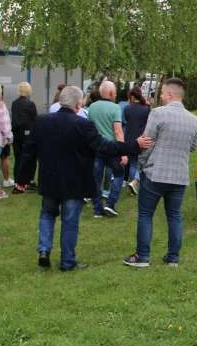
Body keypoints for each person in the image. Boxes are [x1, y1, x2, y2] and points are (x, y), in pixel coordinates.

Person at [21, 85, 147, 271]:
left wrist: (22, 178)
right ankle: (67, 261)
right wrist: (133, 146)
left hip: (49, 179)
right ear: (79, 104)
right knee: (70, 221)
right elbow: (105, 147)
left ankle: (44, 250)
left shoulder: (41, 122)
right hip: (75, 182)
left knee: (47, 214)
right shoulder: (83, 125)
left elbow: (28, 151)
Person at [124, 77, 197, 268]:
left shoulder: (158, 114)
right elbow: (193, 147)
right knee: (174, 216)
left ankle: (142, 256)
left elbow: (146, 142)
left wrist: (142, 165)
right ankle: (173, 257)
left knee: (145, 214)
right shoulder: (193, 119)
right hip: (179, 175)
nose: (162, 97)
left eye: (163, 93)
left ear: (171, 94)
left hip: (155, 173)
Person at [86, 79, 126, 217]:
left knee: (95, 178)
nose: (116, 95)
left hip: (95, 147)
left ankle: (97, 209)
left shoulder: (92, 107)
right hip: (112, 148)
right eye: (115, 92)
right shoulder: (115, 108)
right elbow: (118, 131)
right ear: (110, 93)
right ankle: (110, 203)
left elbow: (89, 128)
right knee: (119, 174)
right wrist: (123, 152)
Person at [122, 86, 151, 195]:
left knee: (133, 163)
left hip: (129, 139)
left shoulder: (127, 108)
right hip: (142, 139)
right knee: (142, 163)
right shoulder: (147, 108)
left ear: (132, 97)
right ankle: (134, 182)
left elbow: (125, 121)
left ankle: (132, 182)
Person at [10, 81, 37, 193]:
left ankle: (17, 180)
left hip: (17, 134)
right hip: (27, 134)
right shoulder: (30, 104)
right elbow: (34, 120)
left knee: (18, 157)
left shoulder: (14, 103)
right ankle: (28, 180)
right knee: (29, 158)